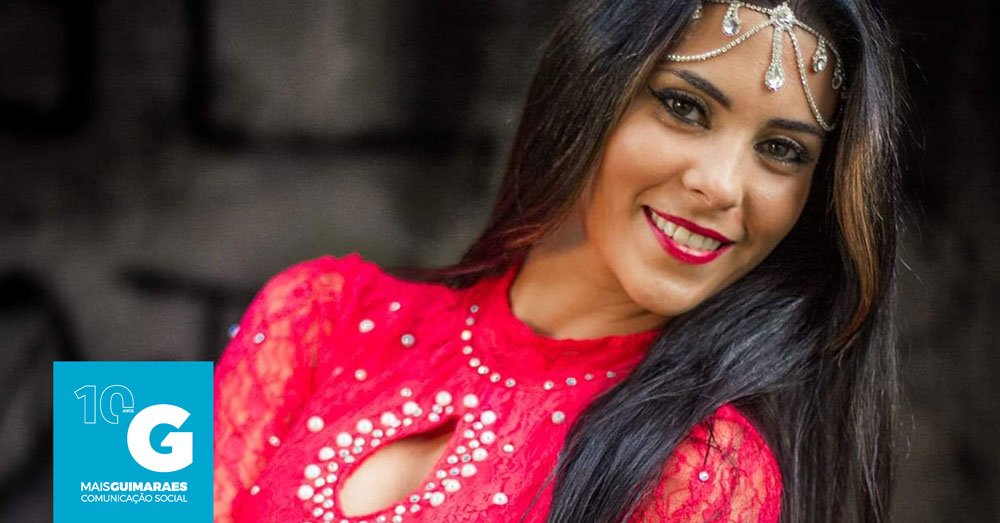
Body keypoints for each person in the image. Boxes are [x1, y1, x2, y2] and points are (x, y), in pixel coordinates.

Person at [213, 0, 905, 521]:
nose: (722, 185)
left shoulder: (706, 471)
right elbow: (142, 495)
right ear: (589, 91)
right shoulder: (314, 308)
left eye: (782, 150)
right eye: (684, 106)